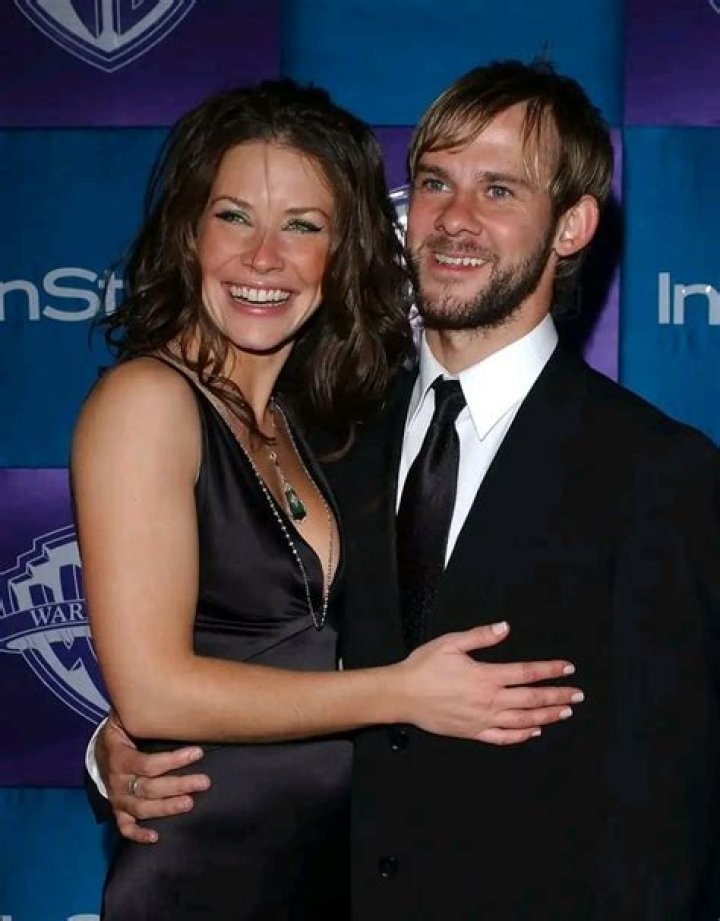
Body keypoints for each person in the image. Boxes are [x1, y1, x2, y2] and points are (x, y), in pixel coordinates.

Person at [92, 61, 720, 917]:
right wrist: (116, 746)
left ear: (572, 225)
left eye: (499, 189)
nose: (456, 218)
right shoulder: (323, 428)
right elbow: (250, 643)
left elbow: (670, 810)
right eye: (434, 182)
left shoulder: (658, 472)